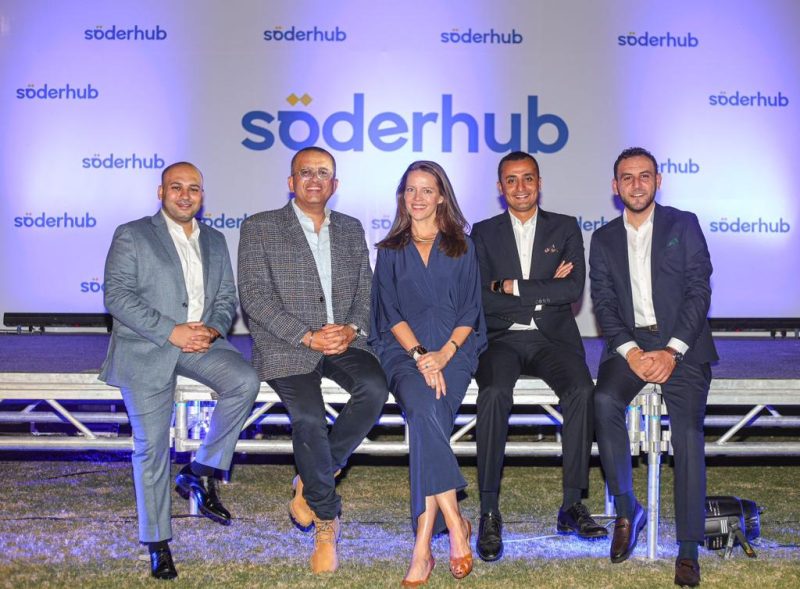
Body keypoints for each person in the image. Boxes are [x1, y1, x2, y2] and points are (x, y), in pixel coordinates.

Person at [100, 162, 261, 580]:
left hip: (200, 344)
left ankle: (199, 470)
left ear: (202, 196)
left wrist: (212, 329)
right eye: (177, 187)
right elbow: (117, 296)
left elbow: (225, 298)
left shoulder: (215, 239)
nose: (185, 195)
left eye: (194, 188)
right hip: (148, 347)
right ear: (161, 192)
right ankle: (157, 542)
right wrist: (172, 331)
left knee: (245, 381)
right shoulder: (133, 234)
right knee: (151, 448)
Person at [237, 146, 388, 574]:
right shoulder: (260, 227)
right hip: (288, 345)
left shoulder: (350, 228)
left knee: (375, 388)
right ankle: (326, 521)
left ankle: (312, 475)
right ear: (291, 182)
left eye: (324, 173)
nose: (315, 179)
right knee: (308, 417)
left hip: (343, 341)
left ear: (334, 184)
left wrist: (352, 329)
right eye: (306, 172)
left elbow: (367, 290)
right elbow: (254, 297)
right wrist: (306, 335)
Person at [470, 151, 607, 562]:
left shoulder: (565, 228)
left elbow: (572, 290)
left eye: (528, 178)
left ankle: (571, 505)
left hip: (553, 340)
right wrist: (542, 290)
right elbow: (478, 298)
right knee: (493, 392)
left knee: (582, 390)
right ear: (500, 188)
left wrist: (509, 286)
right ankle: (489, 510)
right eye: (511, 180)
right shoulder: (483, 232)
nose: (520, 187)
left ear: (539, 182)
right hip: (501, 340)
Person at [590, 147, 717, 587]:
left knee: (687, 433)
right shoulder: (603, 238)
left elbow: (699, 291)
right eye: (627, 177)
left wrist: (671, 352)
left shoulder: (684, 224)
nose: (637, 184)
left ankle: (687, 549)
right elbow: (604, 303)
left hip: (683, 345)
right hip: (629, 345)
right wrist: (631, 352)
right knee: (603, 401)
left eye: (645, 176)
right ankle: (628, 510)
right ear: (615, 186)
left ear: (658, 181)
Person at [370, 160, 486, 586]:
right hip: (403, 352)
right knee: (424, 409)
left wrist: (444, 354)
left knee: (427, 419)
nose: (417, 197)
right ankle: (455, 524)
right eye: (410, 190)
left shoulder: (463, 246)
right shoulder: (390, 249)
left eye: (426, 190)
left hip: (455, 349)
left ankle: (422, 547)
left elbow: (471, 311)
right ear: (402, 197)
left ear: (441, 197)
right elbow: (389, 313)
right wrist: (421, 355)